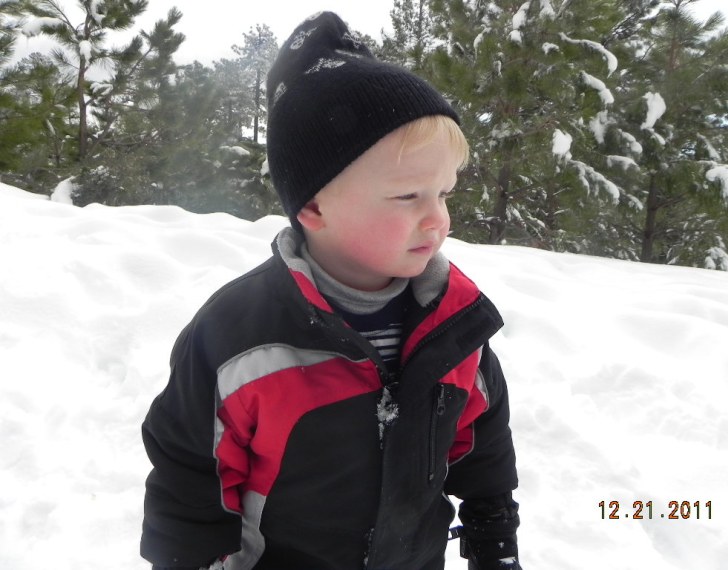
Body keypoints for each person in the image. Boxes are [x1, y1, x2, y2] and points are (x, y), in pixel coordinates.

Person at [141, 11, 521, 570]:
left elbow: (482, 441)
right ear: (314, 206)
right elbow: (189, 473)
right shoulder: (239, 335)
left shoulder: (454, 322)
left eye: (444, 194)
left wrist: (494, 536)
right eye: (407, 196)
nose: (436, 220)